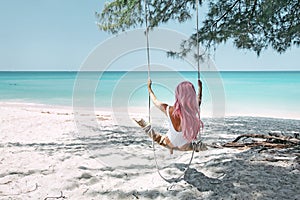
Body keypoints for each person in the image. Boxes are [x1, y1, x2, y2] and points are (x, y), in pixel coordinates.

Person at [134, 79, 207, 154]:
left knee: (157, 138)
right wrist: (200, 88)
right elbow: (199, 101)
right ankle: (199, 147)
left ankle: (144, 124)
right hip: (184, 147)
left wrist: (149, 88)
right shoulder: (192, 111)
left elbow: (155, 101)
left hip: (170, 144)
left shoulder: (169, 109)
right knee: (199, 146)